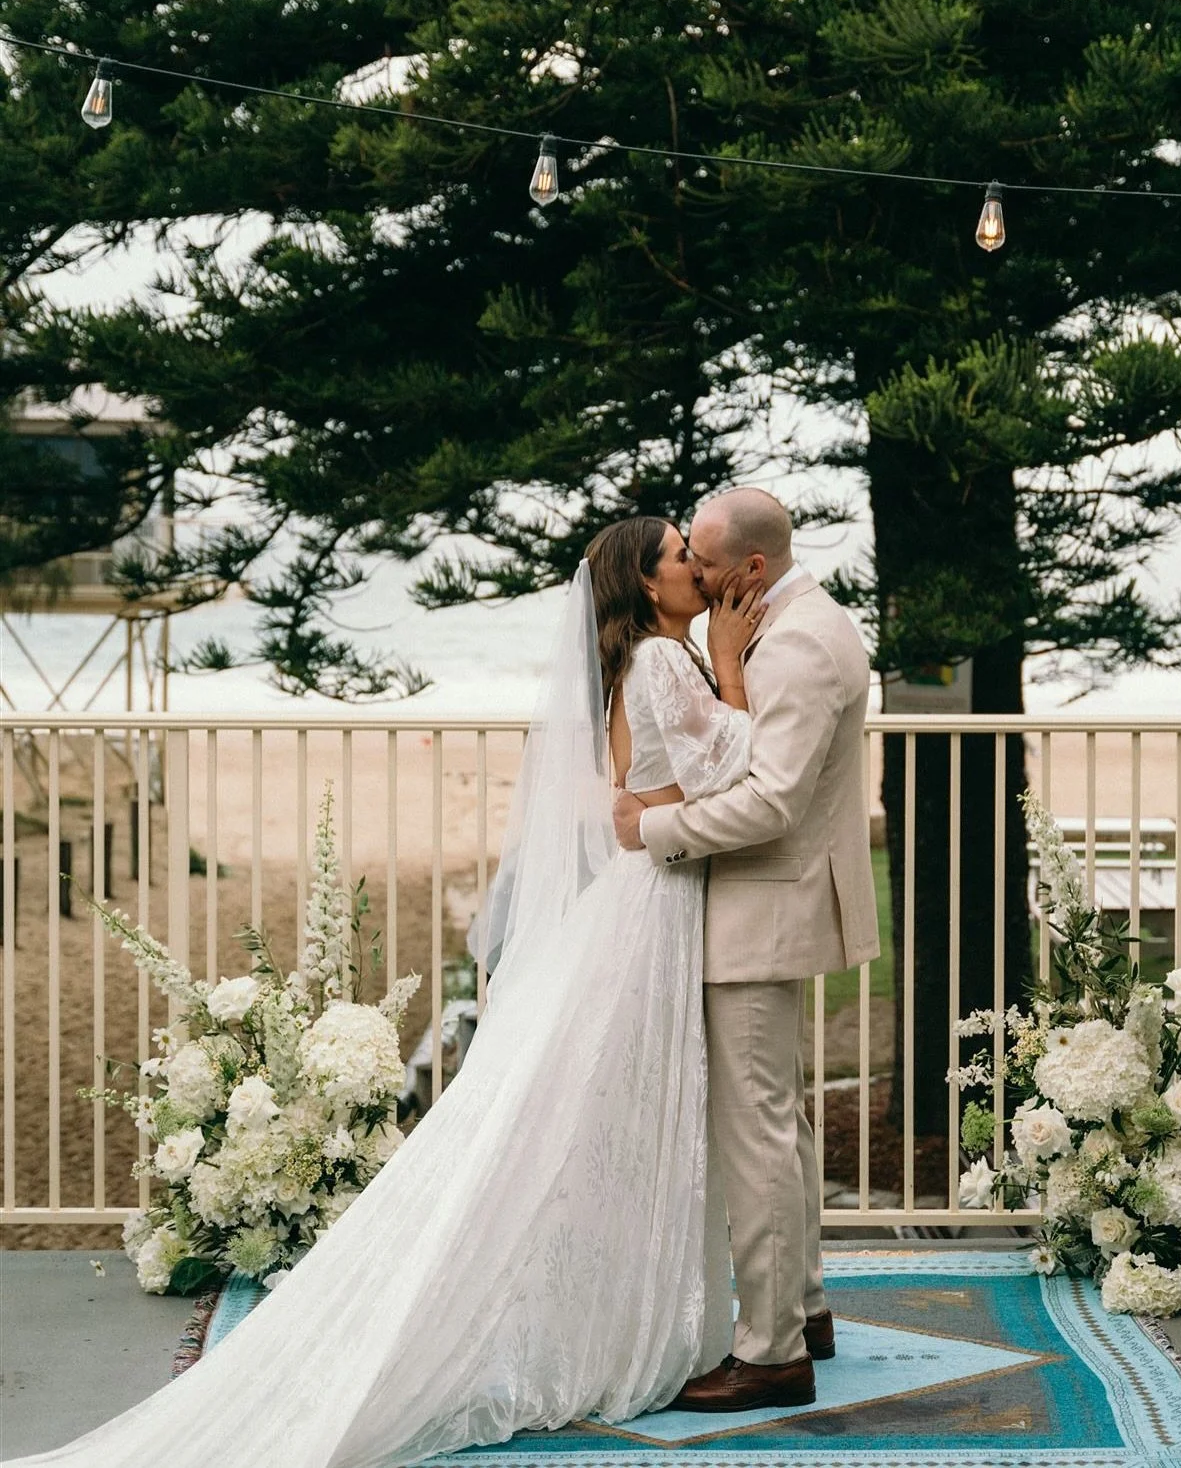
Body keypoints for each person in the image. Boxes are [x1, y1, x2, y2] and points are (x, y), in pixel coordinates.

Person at [3, 517, 769, 1468]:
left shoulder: (644, 658)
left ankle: (596, 1297)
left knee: (594, 1114)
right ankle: (606, 1315)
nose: (697, 566)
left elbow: (639, 789)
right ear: (648, 586)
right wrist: (732, 669)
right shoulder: (664, 662)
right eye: (679, 555)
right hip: (649, 907)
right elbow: (733, 765)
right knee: (615, 1116)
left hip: (637, 899)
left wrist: (657, 789)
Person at [614, 488, 881, 1413]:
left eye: (708, 563)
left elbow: (768, 799)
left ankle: (769, 1352)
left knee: (756, 1129)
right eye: (683, 560)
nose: (697, 574)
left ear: (752, 571)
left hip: (760, 910)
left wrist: (650, 830)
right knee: (783, 1120)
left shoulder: (800, 640)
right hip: (769, 904)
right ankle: (801, 1309)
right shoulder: (797, 623)